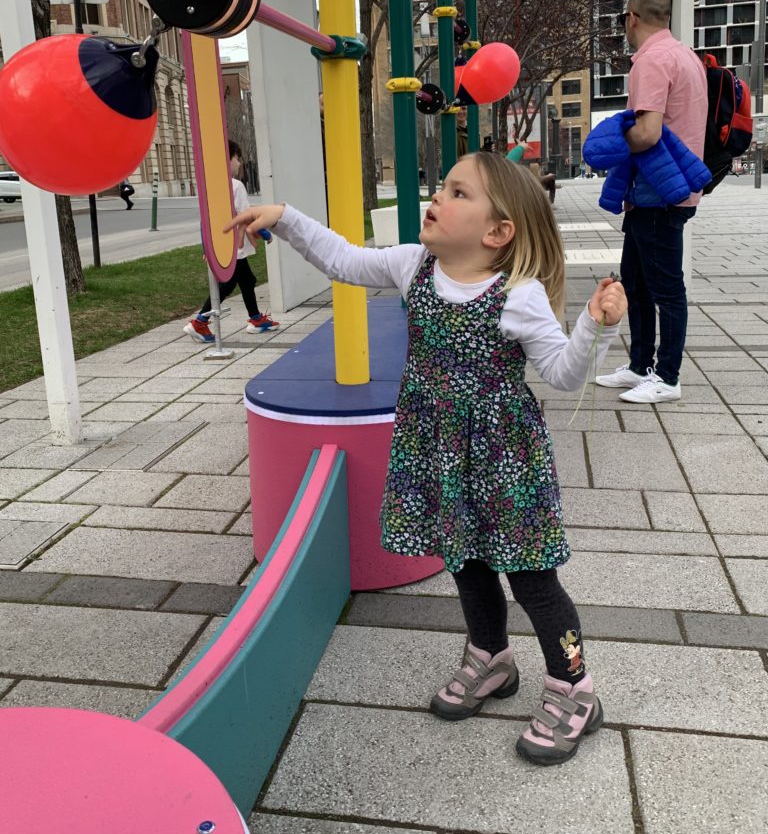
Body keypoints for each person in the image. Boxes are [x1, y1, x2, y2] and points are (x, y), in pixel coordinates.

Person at [227, 152, 627, 766]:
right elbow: (344, 259)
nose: (437, 196)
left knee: (532, 576)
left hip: (505, 461)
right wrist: (284, 217)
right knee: (464, 560)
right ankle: (491, 656)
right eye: (443, 186)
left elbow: (563, 374)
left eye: (459, 192)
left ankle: (574, 685)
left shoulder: (517, 296)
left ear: (497, 232)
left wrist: (596, 327)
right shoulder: (415, 265)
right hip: (438, 450)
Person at [596, 0, 707, 404]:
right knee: (637, 283)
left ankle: (667, 377)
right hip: (667, 189)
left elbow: (647, 133)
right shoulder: (685, 56)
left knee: (665, 289)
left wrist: (610, 141)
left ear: (632, 17)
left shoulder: (651, 61)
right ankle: (640, 365)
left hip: (657, 192)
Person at [183, 143, 278, 343]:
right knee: (228, 283)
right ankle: (200, 321)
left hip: (223, 243)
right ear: (228, 159)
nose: (240, 163)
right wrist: (264, 233)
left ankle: (255, 318)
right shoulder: (235, 185)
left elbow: (205, 220)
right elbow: (246, 215)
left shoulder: (210, 186)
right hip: (236, 243)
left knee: (247, 279)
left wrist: (207, 246)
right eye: (237, 158)